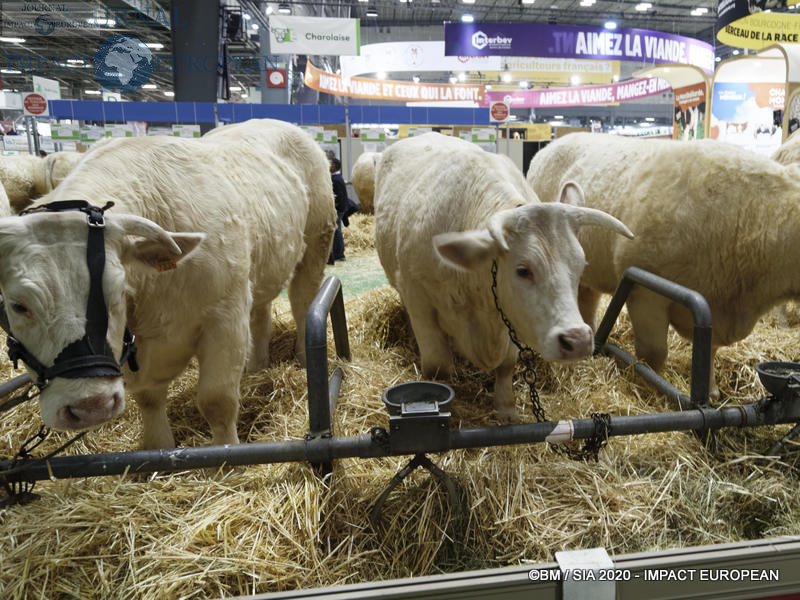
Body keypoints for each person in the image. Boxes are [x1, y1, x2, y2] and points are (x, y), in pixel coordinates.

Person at [328, 157, 349, 264]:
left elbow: (339, 197)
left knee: (337, 231)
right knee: (337, 230)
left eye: (330, 164)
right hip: (340, 209)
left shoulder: (335, 179)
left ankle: (339, 254)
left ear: (334, 167)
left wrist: (335, 208)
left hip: (338, 209)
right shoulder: (338, 178)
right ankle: (338, 253)